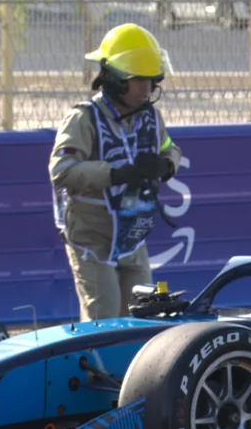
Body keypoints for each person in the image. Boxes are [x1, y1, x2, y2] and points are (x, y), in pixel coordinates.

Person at [49, 23, 182, 321]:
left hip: (133, 238)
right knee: (104, 321)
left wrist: (166, 164)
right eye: (139, 81)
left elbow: (171, 147)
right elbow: (62, 170)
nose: (147, 88)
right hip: (92, 239)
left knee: (144, 317)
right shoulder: (83, 118)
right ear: (115, 78)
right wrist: (115, 174)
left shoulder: (151, 116)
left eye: (152, 80)